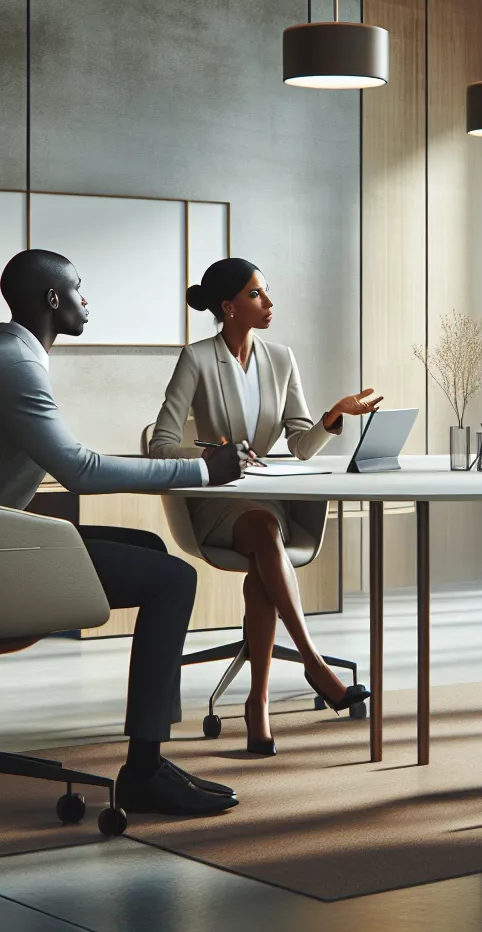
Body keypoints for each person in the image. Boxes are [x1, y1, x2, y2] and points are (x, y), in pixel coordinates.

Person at [0, 248, 251, 818]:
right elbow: (80, 470)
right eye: (78, 288)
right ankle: (144, 770)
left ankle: (152, 754)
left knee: (148, 550)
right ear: (53, 299)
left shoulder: (8, 356)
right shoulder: (14, 366)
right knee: (173, 579)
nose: (86, 300)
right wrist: (202, 470)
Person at [150, 258, 381, 755]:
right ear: (229, 307)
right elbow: (161, 443)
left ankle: (259, 703)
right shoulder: (196, 358)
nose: (269, 302)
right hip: (216, 500)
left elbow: (300, 445)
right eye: (256, 294)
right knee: (262, 530)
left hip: (265, 499)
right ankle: (314, 664)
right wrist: (212, 456)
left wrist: (333, 415)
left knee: (263, 544)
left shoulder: (281, 358)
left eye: (266, 292)